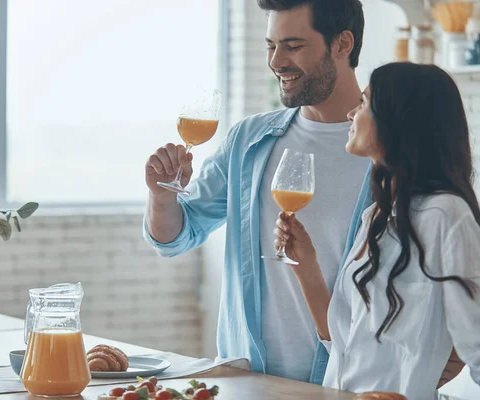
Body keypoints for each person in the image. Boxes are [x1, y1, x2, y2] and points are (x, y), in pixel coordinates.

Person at [143, 0, 370, 384]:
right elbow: (175, 238)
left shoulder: (389, 153)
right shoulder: (250, 140)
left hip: (348, 383)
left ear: (342, 44)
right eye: (270, 46)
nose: (276, 61)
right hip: (247, 381)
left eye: (293, 45)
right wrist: (162, 196)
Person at [273, 62, 480, 399]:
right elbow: (343, 344)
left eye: (365, 102)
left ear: (399, 120)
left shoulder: (444, 214)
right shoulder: (375, 217)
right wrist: (306, 265)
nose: (352, 113)